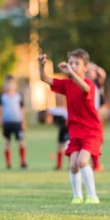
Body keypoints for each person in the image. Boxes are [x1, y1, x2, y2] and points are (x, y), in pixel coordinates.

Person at [38, 49, 101, 204]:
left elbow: (85, 89)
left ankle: (93, 196)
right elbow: (45, 79)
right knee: (73, 165)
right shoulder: (67, 84)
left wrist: (71, 72)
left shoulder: (89, 85)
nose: (72, 65)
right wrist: (41, 65)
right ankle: (77, 196)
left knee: (82, 162)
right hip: (74, 130)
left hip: (91, 130)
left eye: (76, 63)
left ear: (85, 67)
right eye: (71, 62)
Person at [0, 75, 27, 170]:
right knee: (7, 142)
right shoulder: (2, 96)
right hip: (7, 123)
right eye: (8, 84)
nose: (10, 85)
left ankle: (23, 162)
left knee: (21, 142)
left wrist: (23, 122)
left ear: (15, 84)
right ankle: (8, 164)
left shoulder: (19, 95)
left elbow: (22, 109)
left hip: (17, 122)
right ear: (5, 85)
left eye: (12, 83)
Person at [86, 62, 107, 172]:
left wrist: (95, 67)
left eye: (93, 72)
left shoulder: (97, 84)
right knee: (90, 140)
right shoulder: (83, 83)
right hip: (87, 116)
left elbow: (103, 74)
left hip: (96, 115)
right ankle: (94, 165)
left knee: (97, 141)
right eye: (89, 71)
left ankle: (96, 165)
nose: (91, 73)